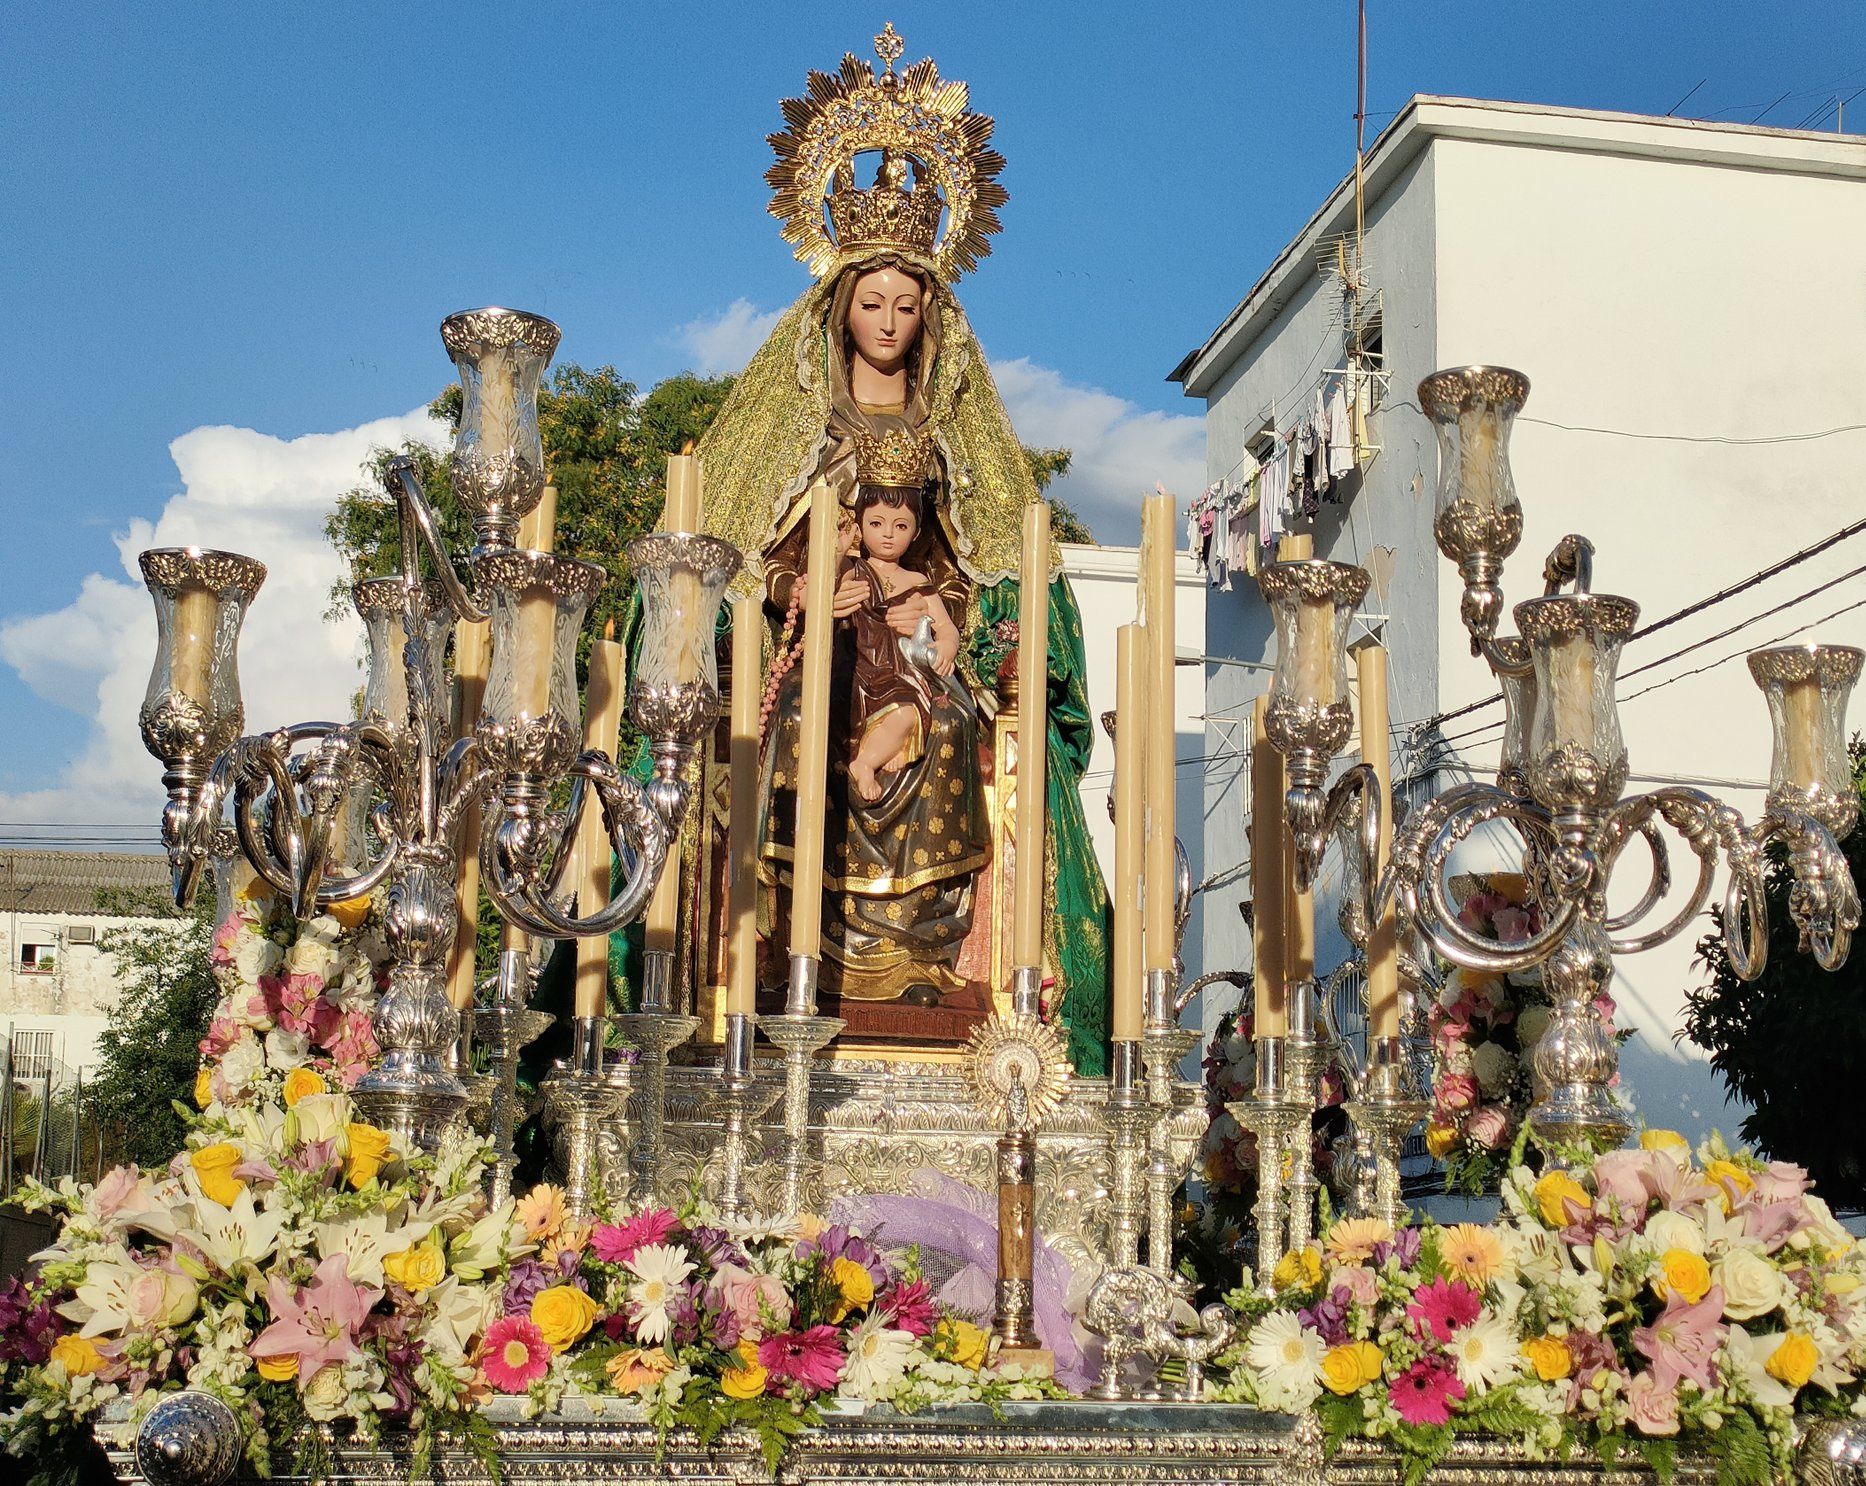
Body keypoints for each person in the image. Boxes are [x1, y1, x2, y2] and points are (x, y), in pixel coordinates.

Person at [692, 32, 1112, 1066]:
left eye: (908, 304)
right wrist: (797, 588)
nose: (888, 321)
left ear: (931, 315)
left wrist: (951, 613)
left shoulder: (947, 428)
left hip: (913, 648)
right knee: (799, 716)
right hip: (816, 642)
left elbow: (977, 558)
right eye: (871, 301)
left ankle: (918, 956)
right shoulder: (798, 424)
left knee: (953, 722)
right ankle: (796, 955)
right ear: (841, 308)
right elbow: (736, 547)